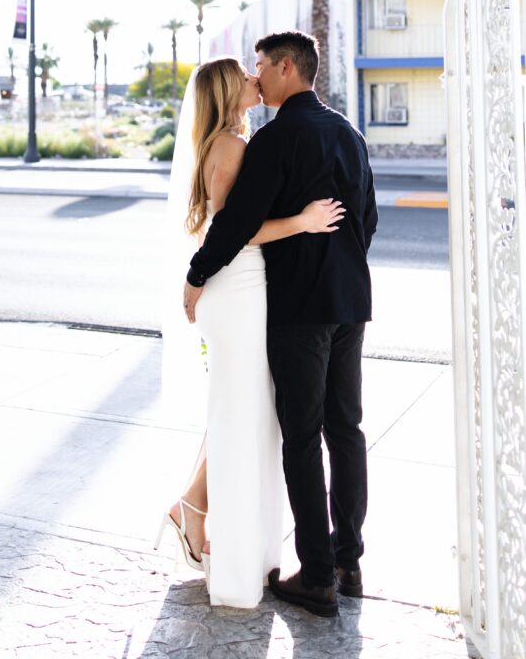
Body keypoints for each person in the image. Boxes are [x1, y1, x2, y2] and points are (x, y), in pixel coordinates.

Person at [184, 32, 377, 618]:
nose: (257, 75)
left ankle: (317, 575)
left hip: (297, 309)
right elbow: (366, 218)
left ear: (287, 67)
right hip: (349, 303)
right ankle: (348, 560)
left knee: (302, 434)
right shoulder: (349, 132)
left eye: (262, 65)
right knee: (346, 429)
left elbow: (235, 223)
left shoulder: (274, 139)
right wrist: (340, 264)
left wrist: (196, 275)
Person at [157, 56, 345, 609]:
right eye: (244, 75)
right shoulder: (235, 147)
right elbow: (235, 230)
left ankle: (192, 508)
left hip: (236, 289)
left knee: (243, 412)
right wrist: (303, 222)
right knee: (243, 414)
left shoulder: (229, 141)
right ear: (226, 89)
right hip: (237, 286)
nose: (253, 79)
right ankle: (211, 535)